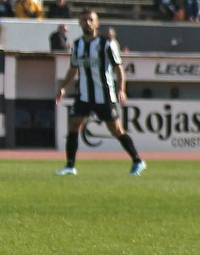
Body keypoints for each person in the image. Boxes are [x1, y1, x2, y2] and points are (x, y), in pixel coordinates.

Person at [54, 11, 146, 177]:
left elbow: (119, 68)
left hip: (104, 95)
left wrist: (121, 89)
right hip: (83, 95)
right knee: (74, 125)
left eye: (91, 20)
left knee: (116, 130)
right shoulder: (77, 45)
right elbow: (73, 68)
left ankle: (138, 160)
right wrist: (63, 87)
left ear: (97, 24)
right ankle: (69, 166)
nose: (87, 23)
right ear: (80, 23)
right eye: (84, 20)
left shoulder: (106, 44)